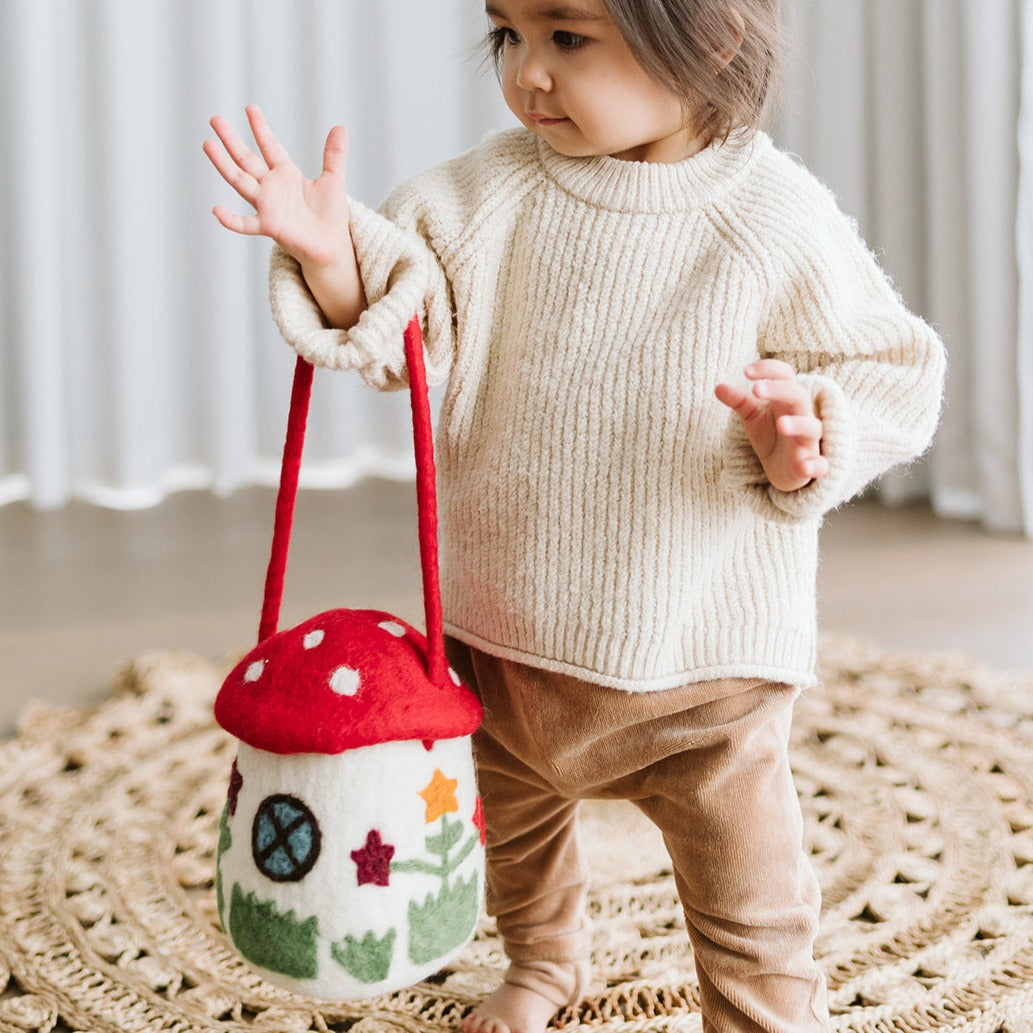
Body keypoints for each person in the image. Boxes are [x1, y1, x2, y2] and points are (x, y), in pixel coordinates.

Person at [204, 1, 945, 1029]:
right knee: (517, 840)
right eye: (507, 35)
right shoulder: (483, 195)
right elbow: (404, 323)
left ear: (711, 37)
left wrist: (809, 432)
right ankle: (545, 964)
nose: (528, 75)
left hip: (703, 668)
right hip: (505, 642)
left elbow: (891, 369)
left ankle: (764, 1010)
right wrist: (333, 259)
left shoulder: (769, 215)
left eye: (568, 37)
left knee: (751, 901)